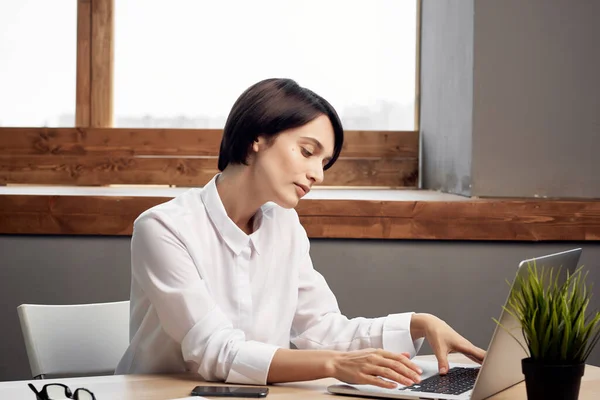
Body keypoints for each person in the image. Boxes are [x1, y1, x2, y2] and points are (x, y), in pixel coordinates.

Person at [115, 78, 485, 388]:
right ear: (256, 138)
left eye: (324, 163)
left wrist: (419, 322)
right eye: (308, 151)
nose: (318, 175)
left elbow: (322, 330)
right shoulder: (163, 228)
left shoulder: (285, 226)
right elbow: (215, 350)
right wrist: (331, 365)